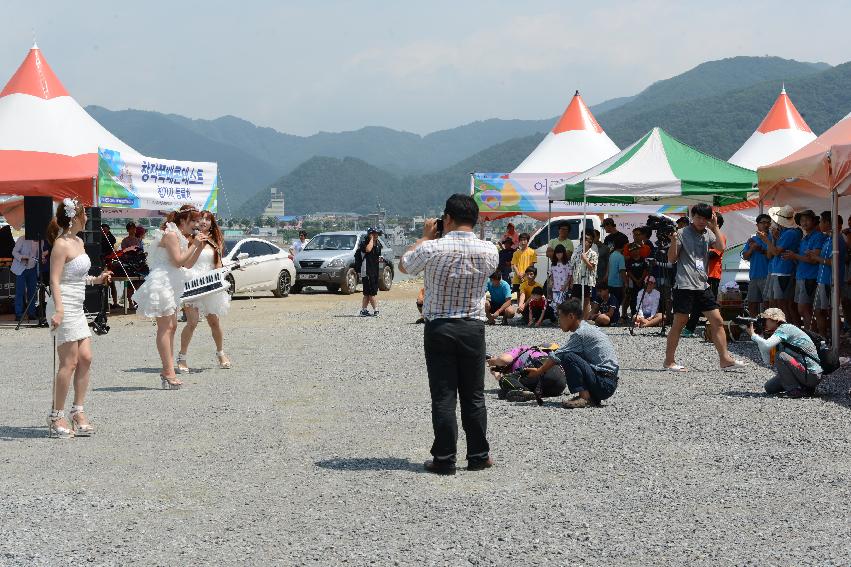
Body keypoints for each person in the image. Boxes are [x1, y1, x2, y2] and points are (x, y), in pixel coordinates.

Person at [399, 193, 498, 475]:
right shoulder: (489, 250)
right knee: (474, 395)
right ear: (475, 219)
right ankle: (479, 455)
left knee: (444, 395)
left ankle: (444, 458)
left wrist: (425, 237)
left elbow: (404, 265)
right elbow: (489, 270)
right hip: (473, 327)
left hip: (439, 327)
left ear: (448, 218)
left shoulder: (432, 248)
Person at [44, 198, 112, 438]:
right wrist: (59, 310)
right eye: (85, 215)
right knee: (69, 363)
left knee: (86, 358)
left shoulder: (79, 241)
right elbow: (54, 280)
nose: (87, 219)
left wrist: (97, 279)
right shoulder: (61, 244)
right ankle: (56, 415)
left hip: (77, 304)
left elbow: (77, 277)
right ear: (75, 217)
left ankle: (78, 410)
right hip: (63, 305)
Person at [663, 203, 744, 372]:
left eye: (704, 218)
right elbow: (671, 259)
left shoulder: (708, 233)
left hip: (702, 284)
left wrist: (714, 227)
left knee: (717, 321)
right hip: (684, 284)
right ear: (693, 216)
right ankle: (669, 361)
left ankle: (725, 359)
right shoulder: (682, 233)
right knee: (679, 322)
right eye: (698, 217)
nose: (701, 221)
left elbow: (721, 248)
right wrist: (673, 242)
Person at [133, 206, 207, 389]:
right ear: (183, 221)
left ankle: (168, 369)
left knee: (172, 326)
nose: (197, 225)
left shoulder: (180, 236)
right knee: (165, 328)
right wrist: (196, 244)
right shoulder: (171, 235)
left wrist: (199, 247)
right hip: (162, 282)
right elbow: (178, 261)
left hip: (172, 282)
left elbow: (187, 264)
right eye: (194, 221)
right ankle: (168, 371)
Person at [523, 298, 619, 409]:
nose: (558, 321)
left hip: (604, 384)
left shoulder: (581, 333)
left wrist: (539, 371)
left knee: (566, 356)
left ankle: (584, 397)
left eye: (560, 317)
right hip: (606, 382)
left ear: (571, 317)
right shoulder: (587, 328)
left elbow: (559, 355)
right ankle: (590, 397)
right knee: (571, 355)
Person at [177, 211, 233, 373]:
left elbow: (217, 264)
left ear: (211, 223)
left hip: (210, 284)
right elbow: (185, 263)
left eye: (208, 219)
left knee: (214, 322)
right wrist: (196, 244)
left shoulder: (215, 241)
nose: (203, 221)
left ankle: (221, 353)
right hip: (193, 282)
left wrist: (223, 275)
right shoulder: (189, 238)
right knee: (192, 322)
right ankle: (182, 357)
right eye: (200, 218)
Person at [747, 308, 822, 398]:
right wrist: (760, 337)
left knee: (781, 355)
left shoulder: (785, 329)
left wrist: (753, 336)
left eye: (765, 320)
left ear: (775, 320)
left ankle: (795, 390)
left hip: (811, 374)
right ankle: (804, 387)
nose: (763, 323)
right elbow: (768, 361)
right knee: (769, 388)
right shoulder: (778, 335)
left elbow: (767, 345)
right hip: (802, 371)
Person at [683, 213, 725, 336]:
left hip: (712, 274)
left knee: (704, 304)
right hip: (700, 275)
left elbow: (714, 253)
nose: (704, 223)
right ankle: (697, 328)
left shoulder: (720, 236)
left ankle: (693, 328)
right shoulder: (703, 236)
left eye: (707, 221)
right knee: (698, 302)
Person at [781, 210, 824, 329]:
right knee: (803, 310)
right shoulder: (804, 238)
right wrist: (793, 257)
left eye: (807, 220)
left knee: (805, 309)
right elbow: (803, 258)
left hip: (810, 277)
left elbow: (814, 259)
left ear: (814, 221)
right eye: (802, 220)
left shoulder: (818, 236)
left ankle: (814, 337)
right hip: (801, 276)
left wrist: (794, 256)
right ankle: (810, 336)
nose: (804, 223)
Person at [486, 345, 566, 403]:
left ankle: (523, 392)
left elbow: (504, 359)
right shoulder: (545, 353)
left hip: (541, 369)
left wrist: (493, 360)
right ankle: (528, 392)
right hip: (559, 385)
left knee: (504, 380)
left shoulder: (522, 349)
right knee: (504, 391)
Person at [813, 212, 846, 337]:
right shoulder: (828, 238)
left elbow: (833, 262)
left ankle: (835, 338)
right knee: (820, 310)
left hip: (830, 280)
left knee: (831, 311)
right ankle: (823, 337)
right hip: (823, 280)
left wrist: (816, 257)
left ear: (828, 223)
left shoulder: (837, 240)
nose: (819, 224)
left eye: (821, 221)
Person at [766, 205, 802, 317]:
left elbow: (776, 252)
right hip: (779, 270)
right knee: (778, 303)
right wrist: (775, 238)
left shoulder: (790, 233)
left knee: (783, 304)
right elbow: (772, 253)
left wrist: (765, 240)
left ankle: (790, 328)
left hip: (784, 271)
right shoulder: (786, 232)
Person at [742, 214, 772, 317]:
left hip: (767, 276)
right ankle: (755, 327)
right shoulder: (752, 239)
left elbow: (772, 255)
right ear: (757, 225)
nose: (766, 225)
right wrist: (751, 249)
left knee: (767, 305)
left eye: (768, 223)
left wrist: (760, 249)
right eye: (763, 222)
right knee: (752, 303)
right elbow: (745, 256)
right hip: (754, 276)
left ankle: (767, 327)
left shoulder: (772, 238)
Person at [567, 232, 598, 319]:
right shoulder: (577, 251)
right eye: (582, 239)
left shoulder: (593, 254)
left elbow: (592, 267)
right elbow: (572, 265)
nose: (582, 241)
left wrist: (585, 259)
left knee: (586, 300)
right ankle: (575, 319)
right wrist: (571, 279)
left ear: (590, 242)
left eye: (585, 240)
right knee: (574, 300)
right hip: (577, 279)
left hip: (587, 281)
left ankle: (585, 320)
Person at [11, 234, 40, 322]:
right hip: (21, 268)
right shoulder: (22, 238)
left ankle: (31, 313)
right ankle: (18, 314)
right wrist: (22, 257)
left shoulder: (41, 241)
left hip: (33, 269)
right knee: (20, 292)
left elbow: (39, 254)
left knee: (32, 292)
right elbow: (14, 252)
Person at [358, 228, 383, 316]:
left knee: (368, 292)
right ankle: (376, 310)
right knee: (371, 292)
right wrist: (371, 239)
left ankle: (363, 310)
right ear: (369, 234)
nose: (376, 235)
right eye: (373, 234)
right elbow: (368, 249)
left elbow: (378, 256)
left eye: (377, 234)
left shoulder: (378, 244)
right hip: (367, 270)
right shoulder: (364, 243)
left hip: (374, 270)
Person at [623, 243, 648, 320]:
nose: (635, 252)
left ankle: (642, 313)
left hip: (642, 281)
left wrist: (641, 279)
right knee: (633, 298)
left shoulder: (643, 259)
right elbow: (629, 272)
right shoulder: (629, 260)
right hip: (632, 282)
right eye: (632, 250)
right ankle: (633, 313)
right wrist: (636, 280)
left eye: (636, 250)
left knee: (642, 297)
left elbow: (645, 270)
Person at [100, 223, 120, 308]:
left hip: (109, 261)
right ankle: (105, 303)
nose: (105, 232)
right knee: (104, 283)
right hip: (102, 261)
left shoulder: (111, 237)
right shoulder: (100, 238)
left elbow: (113, 244)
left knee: (111, 283)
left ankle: (115, 302)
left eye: (106, 230)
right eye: (103, 230)